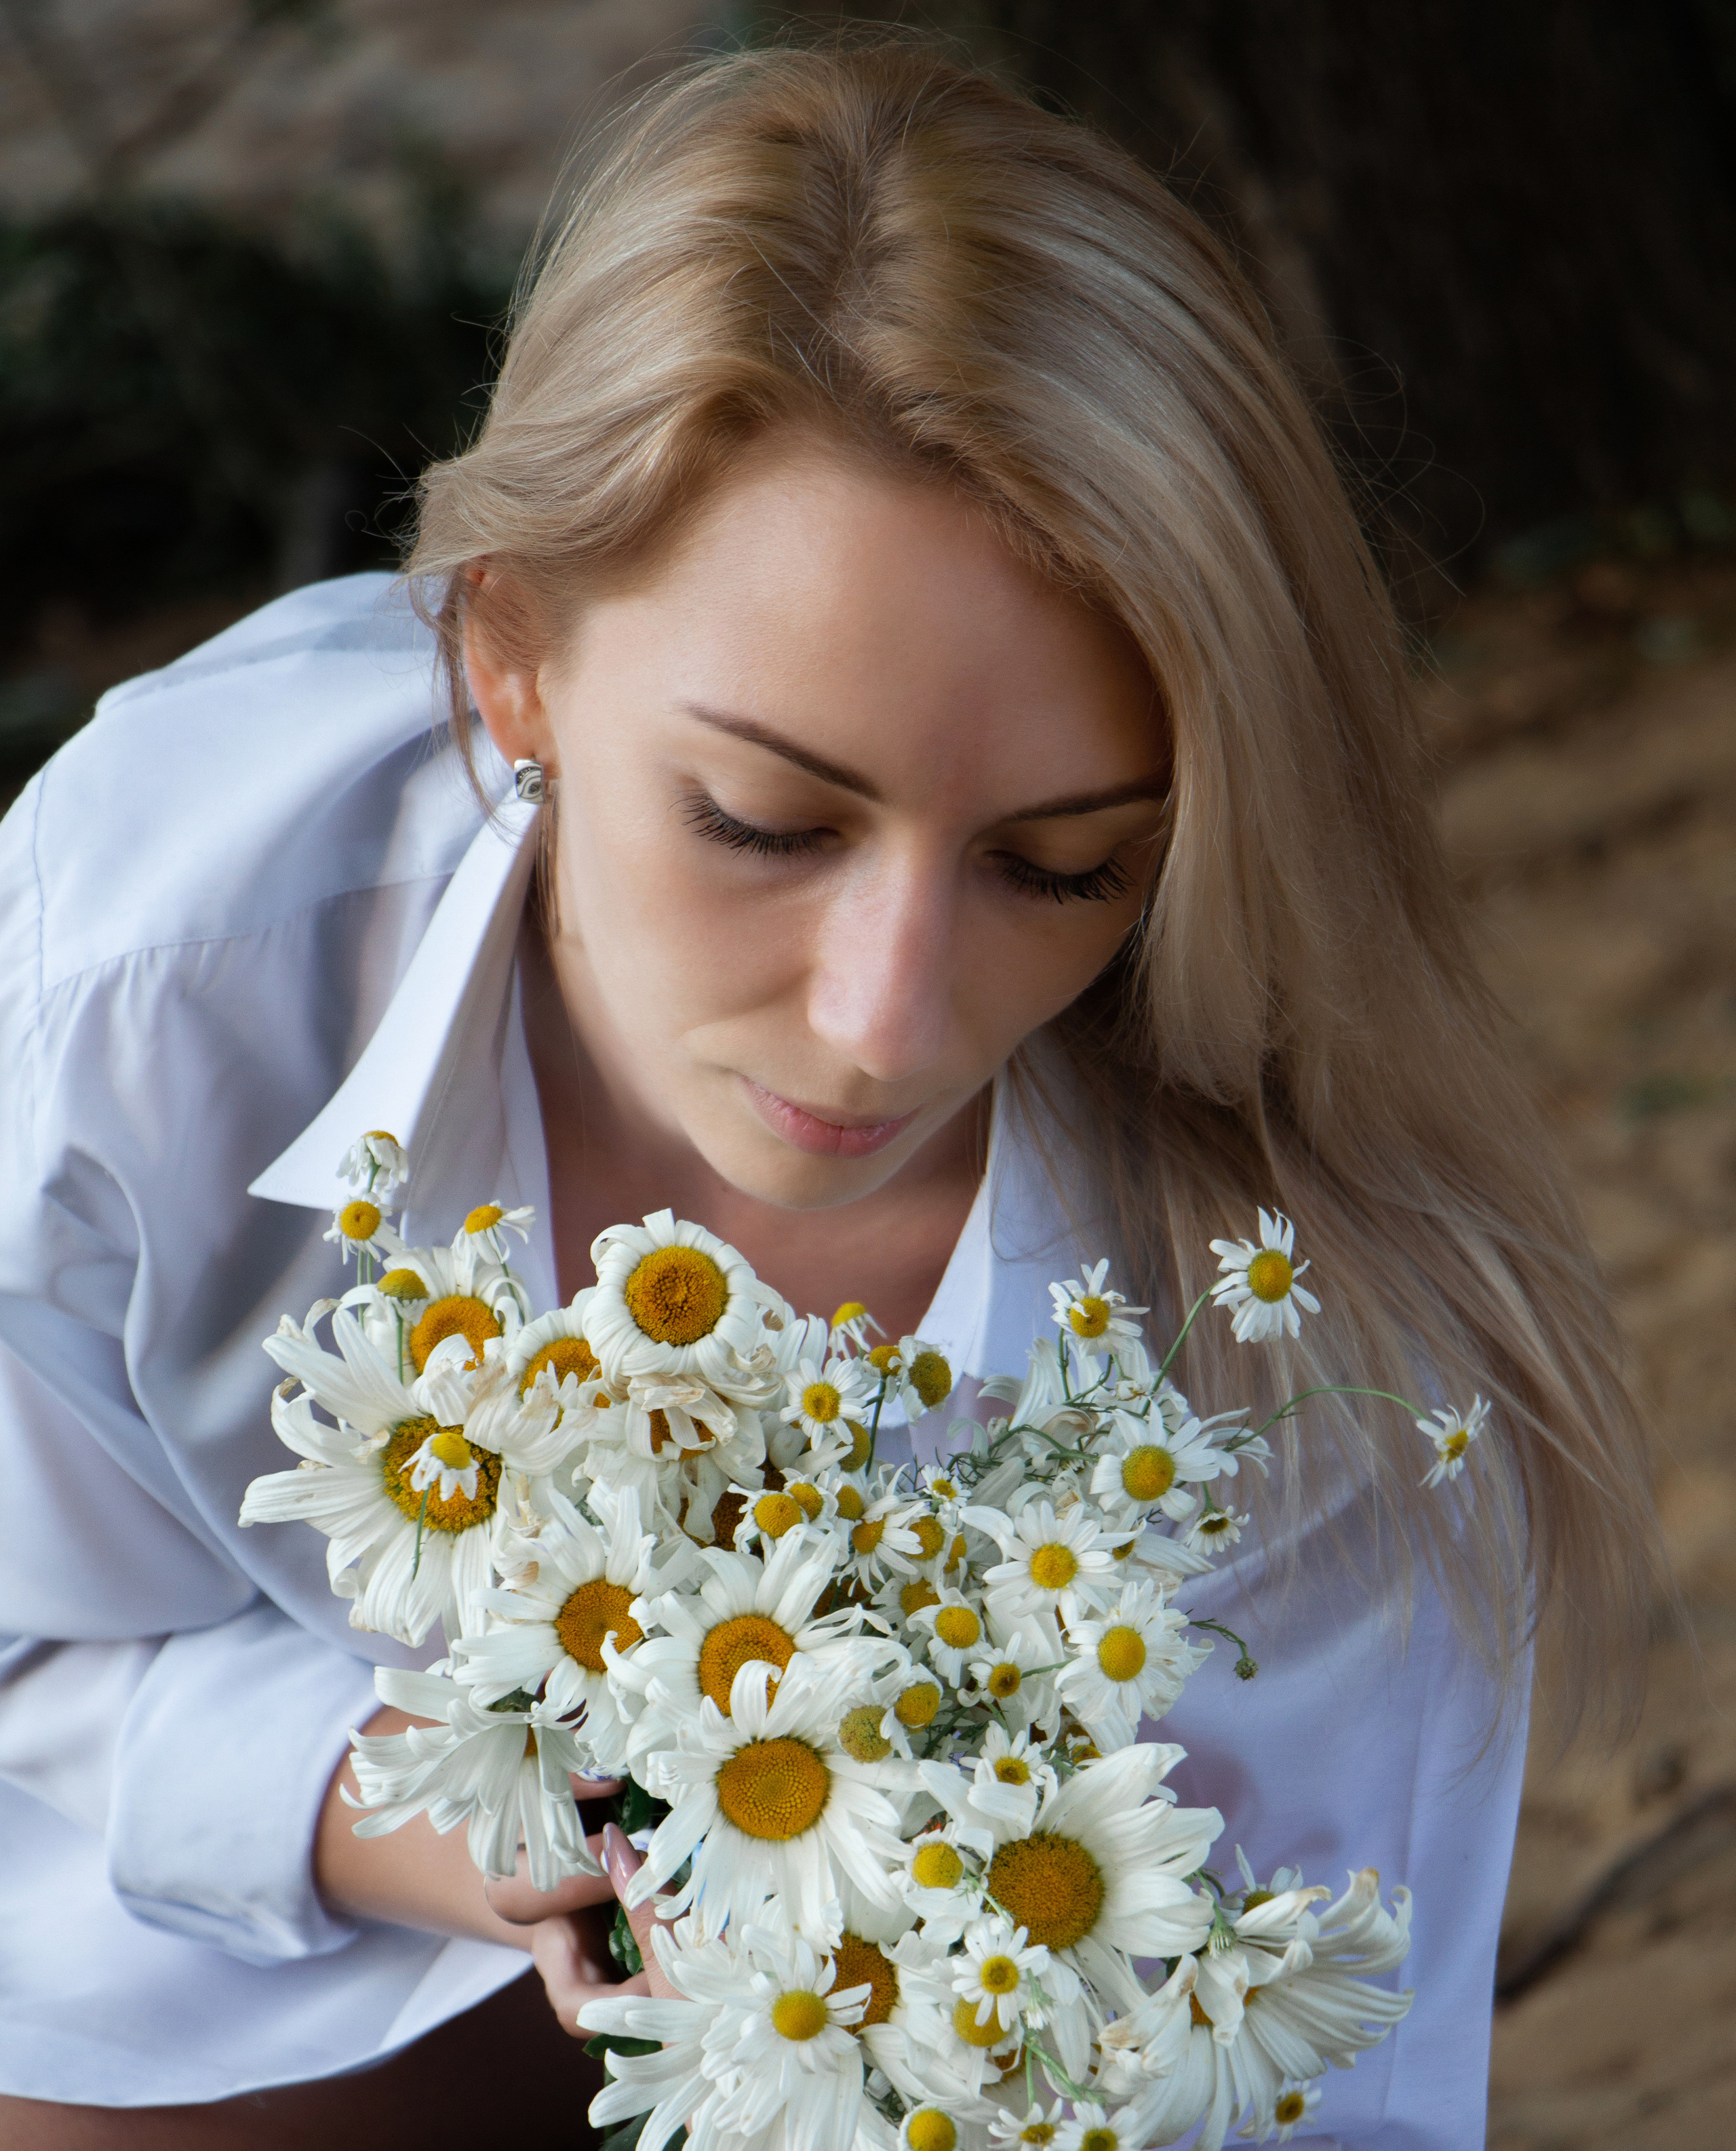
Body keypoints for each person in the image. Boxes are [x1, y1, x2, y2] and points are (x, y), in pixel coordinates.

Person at [0, 39, 1657, 2150]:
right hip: (225, 2004)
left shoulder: (1309, 1326)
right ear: (507, 659)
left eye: (1062, 866)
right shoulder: (144, 972)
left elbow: (1315, 2084)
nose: (885, 1021)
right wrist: (428, 1813)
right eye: (767, 822)